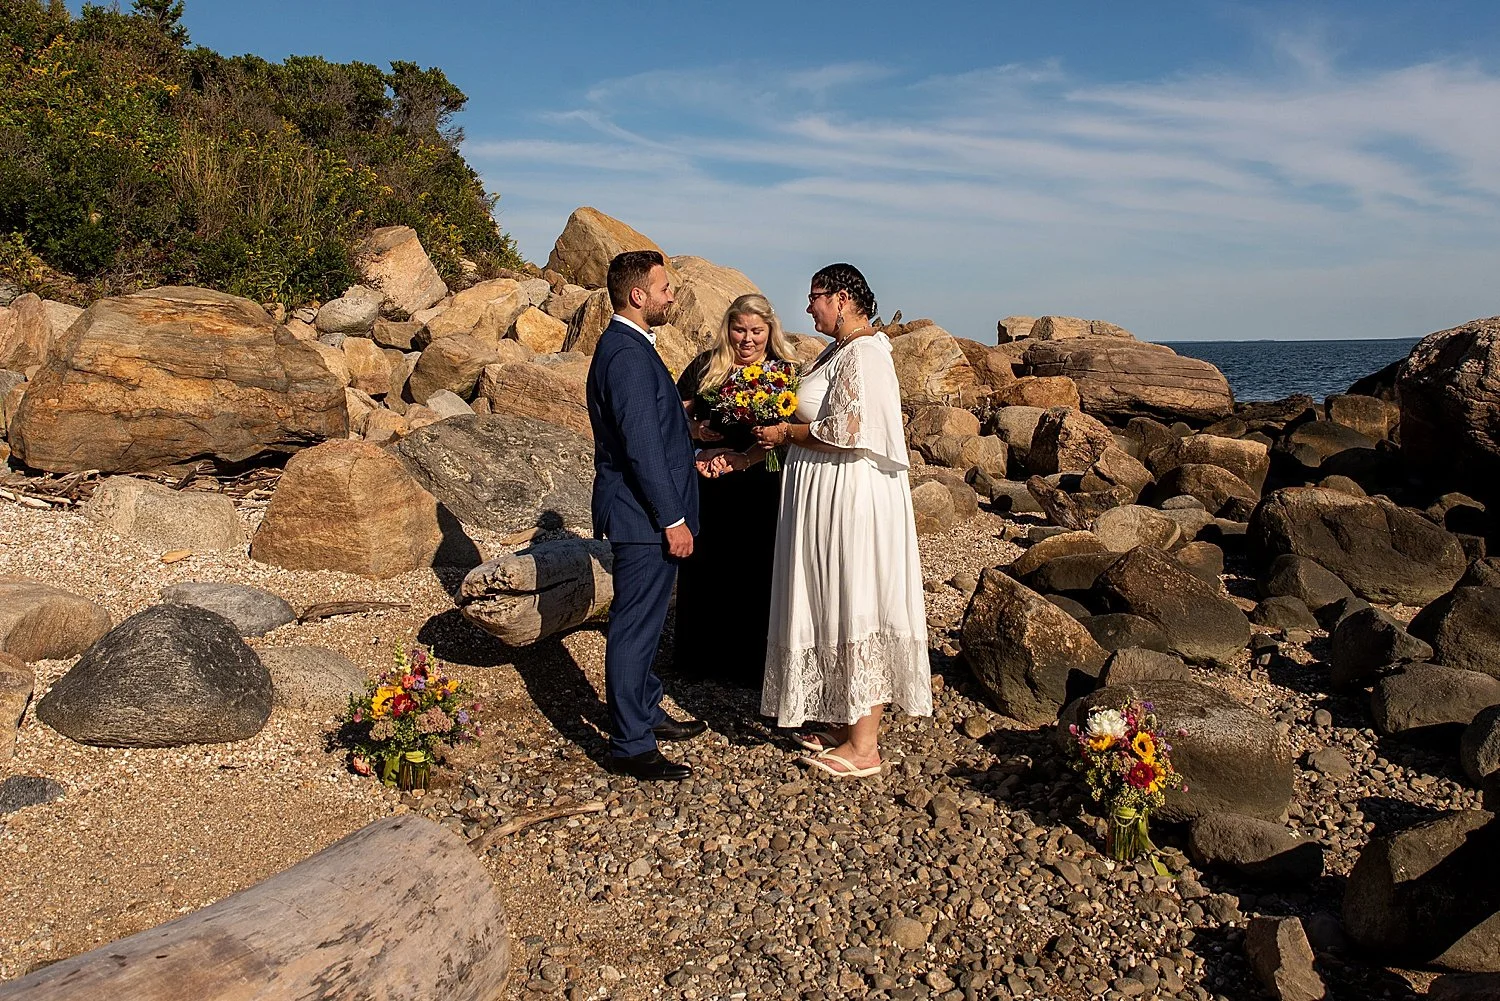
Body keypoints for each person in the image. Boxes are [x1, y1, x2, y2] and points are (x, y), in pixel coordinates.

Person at [753, 263, 931, 778]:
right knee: (830, 599)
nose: (808, 307)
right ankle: (845, 718)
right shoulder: (837, 351)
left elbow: (848, 428)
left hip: (852, 500)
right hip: (826, 496)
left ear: (843, 297)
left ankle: (865, 746)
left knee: (857, 599)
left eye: (815, 297)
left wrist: (787, 434)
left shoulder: (867, 353)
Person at [586, 249, 708, 782]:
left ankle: (645, 707)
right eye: (665, 288)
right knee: (635, 628)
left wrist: (681, 418)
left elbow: (647, 422)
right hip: (642, 517)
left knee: (649, 620)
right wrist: (672, 519)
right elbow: (641, 448)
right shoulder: (628, 354)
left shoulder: (627, 347)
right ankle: (630, 744)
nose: (671, 296)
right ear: (638, 296)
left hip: (642, 513)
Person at [673, 294, 799, 688]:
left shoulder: (785, 372)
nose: (747, 339)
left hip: (761, 484)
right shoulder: (707, 366)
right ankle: (699, 659)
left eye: (756, 331)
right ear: (728, 328)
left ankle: (749, 664)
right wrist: (695, 435)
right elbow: (672, 413)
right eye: (739, 329)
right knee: (705, 567)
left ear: (769, 332)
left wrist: (751, 453)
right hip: (709, 482)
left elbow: (792, 434)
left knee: (756, 570)